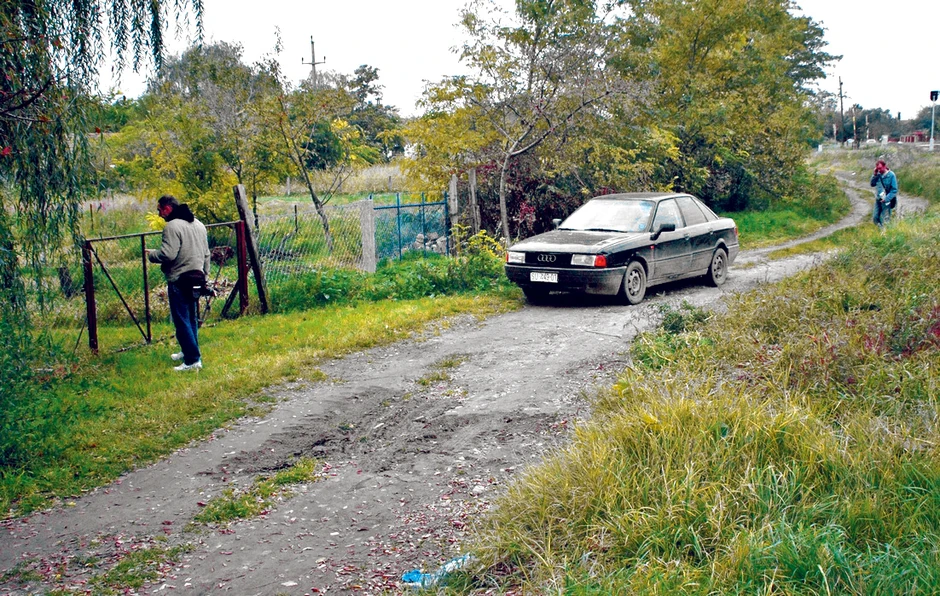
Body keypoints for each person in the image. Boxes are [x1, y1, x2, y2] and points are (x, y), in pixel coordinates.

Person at [148, 195, 210, 371]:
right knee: (191, 317)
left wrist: (152, 255)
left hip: (179, 279)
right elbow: (206, 253)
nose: (159, 214)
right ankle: (188, 349)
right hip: (197, 277)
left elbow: (168, 254)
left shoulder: (172, 226)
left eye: (160, 210)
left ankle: (192, 360)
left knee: (182, 320)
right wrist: (205, 274)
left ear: (168, 208)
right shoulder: (198, 224)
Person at [869, 159, 898, 230]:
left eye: (880, 168)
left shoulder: (891, 175)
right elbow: (872, 184)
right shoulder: (877, 175)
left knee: (886, 218)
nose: (879, 170)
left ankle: (886, 233)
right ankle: (881, 229)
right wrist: (874, 174)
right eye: (877, 169)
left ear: (885, 166)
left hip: (887, 201)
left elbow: (894, 190)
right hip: (878, 200)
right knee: (875, 217)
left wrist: (886, 199)